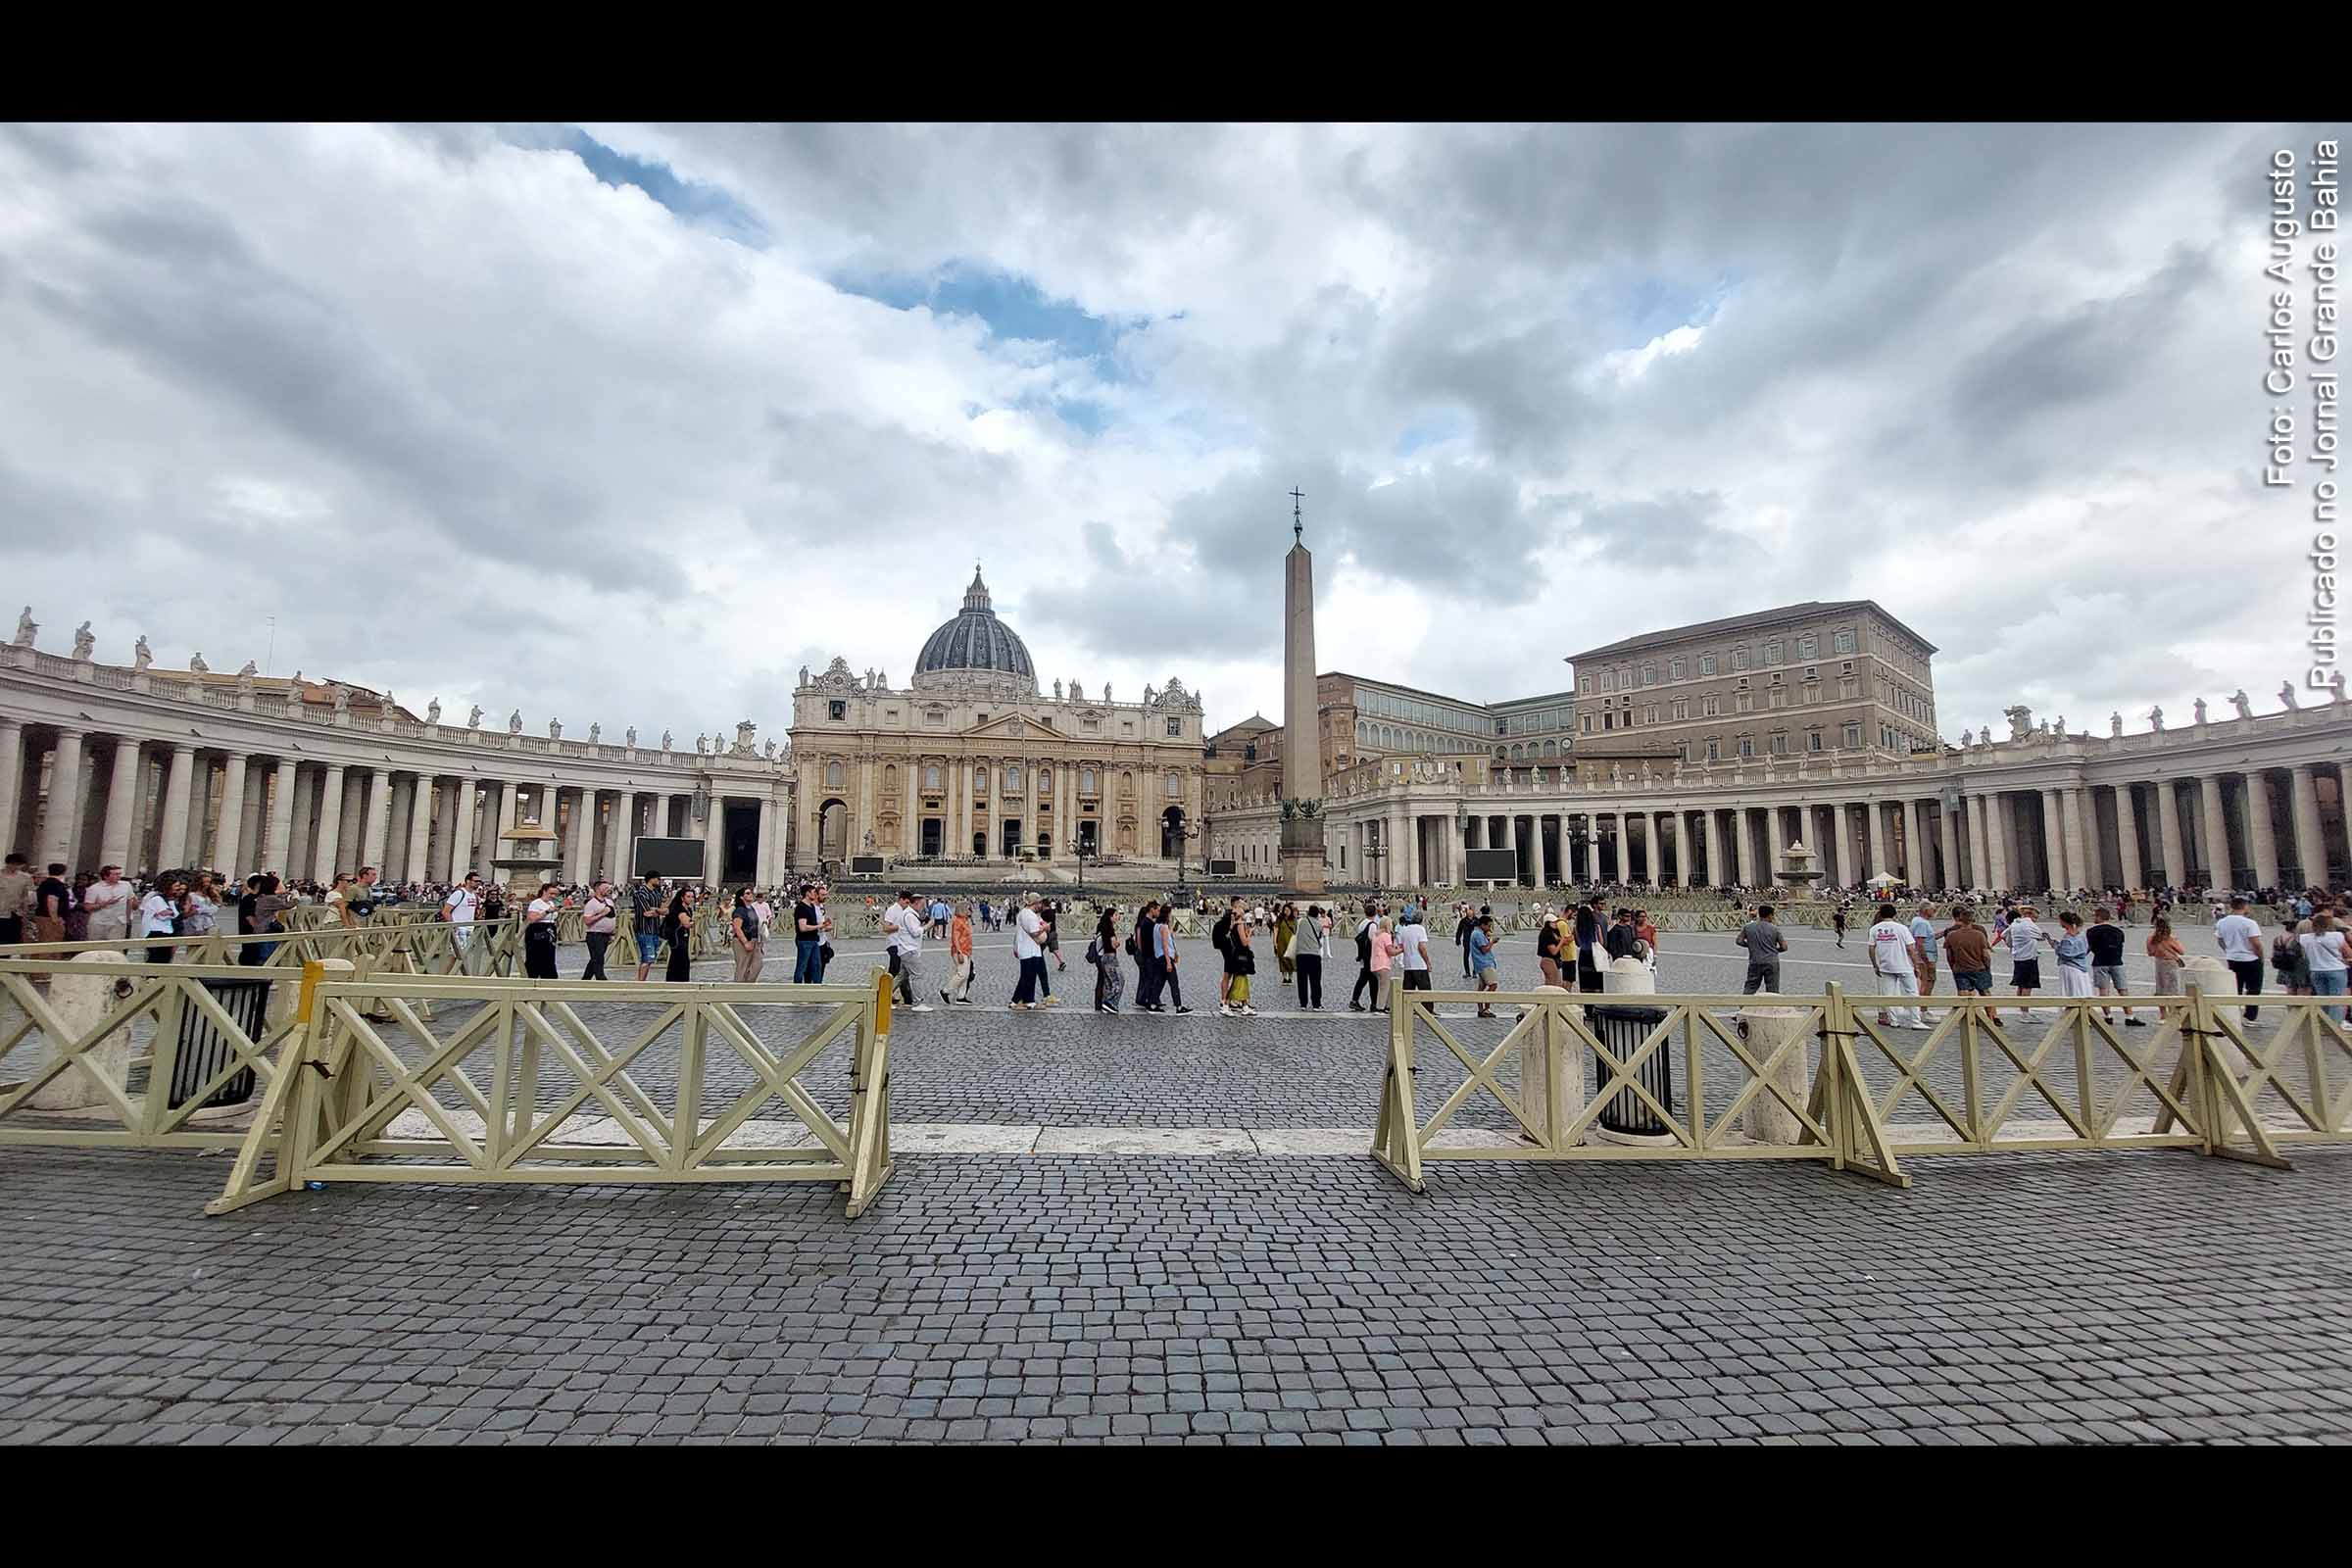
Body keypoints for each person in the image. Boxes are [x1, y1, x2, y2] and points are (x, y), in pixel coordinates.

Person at [1867, 901, 1924, 1029]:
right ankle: (1916, 1021)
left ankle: (1894, 1020)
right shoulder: (1902, 928)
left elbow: (1871, 949)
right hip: (1903, 965)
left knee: (1889, 995)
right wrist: (1916, 965)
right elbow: (1911, 949)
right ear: (1895, 914)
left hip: (1885, 966)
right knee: (1912, 993)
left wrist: (1875, 965)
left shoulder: (1874, 929)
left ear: (1880, 915)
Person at [2216, 896, 2265, 1021]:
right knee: (2253, 989)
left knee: (2235, 987)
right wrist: (2260, 956)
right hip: (2250, 958)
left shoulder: (2222, 922)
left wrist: (2227, 950)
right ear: (2245, 907)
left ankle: (2233, 1014)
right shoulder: (2249, 923)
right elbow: (2256, 943)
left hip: (2232, 957)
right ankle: (2250, 1017)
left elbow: (2220, 940)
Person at [884, 889, 932, 1009]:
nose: (923, 907)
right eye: (922, 904)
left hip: (904, 949)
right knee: (918, 975)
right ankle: (918, 1003)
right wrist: (928, 926)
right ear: (916, 903)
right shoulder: (909, 915)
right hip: (908, 950)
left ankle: (883, 997)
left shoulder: (907, 913)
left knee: (901, 976)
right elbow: (916, 932)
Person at [2300, 911, 2348, 1024]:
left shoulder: (2305, 938)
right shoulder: (2337, 936)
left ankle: (2323, 1024)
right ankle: (2335, 1025)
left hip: (2316, 970)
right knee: (2336, 999)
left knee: (2322, 998)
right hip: (2336, 969)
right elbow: (2347, 952)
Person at [1941, 906, 1994, 997]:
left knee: (1963, 994)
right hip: (1979, 968)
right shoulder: (1980, 933)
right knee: (1985, 994)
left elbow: (1949, 956)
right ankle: (1990, 1011)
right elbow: (1986, 955)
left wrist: (1953, 967)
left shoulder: (1951, 934)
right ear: (1973, 919)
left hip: (1961, 969)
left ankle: (1965, 1011)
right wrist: (1987, 967)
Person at [242, 873, 292, 967]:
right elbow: (250, 919)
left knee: (269, 954)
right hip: (264, 931)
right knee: (266, 955)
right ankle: (263, 976)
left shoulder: (260, 898)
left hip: (262, 931)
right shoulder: (259, 899)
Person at [1737, 903, 1787, 995]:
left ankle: (1744, 1004)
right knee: (1772, 988)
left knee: (1751, 986)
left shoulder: (1748, 927)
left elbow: (1739, 941)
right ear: (1770, 915)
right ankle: (1772, 1007)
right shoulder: (1774, 929)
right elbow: (1784, 947)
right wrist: (1774, 950)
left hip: (1755, 961)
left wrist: (1751, 945)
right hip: (1771, 961)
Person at [82, 864, 132, 950]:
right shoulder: (94, 888)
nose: (119, 876)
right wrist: (104, 904)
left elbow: (129, 901)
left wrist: (128, 919)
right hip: (99, 923)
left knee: (116, 949)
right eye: (115, 874)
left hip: (118, 923)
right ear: (106, 876)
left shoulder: (126, 885)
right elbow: (87, 907)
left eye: (119, 874)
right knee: (96, 949)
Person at [1010, 897, 1049, 1010]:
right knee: (1028, 976)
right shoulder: (1028, 915)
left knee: (1028, 976)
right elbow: (1034, 932)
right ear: (1035, 903)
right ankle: (1020, 1001)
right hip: (1028, 949)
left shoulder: (1028, 914)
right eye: (1039, 903)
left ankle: (1024, 1000)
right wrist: (1045, 928)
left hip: (1030, 949)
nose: (1041, 906)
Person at [1220, 904, 1258, 1016]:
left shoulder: (1234, 925)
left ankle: (1245, 1006)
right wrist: (1250, 933)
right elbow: (1245, 942)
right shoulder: (1240, 925)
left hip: (1236, 955)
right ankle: (1226, 1005)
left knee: (1242, 980)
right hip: (1240, 956)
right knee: (1238, 981)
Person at [2003, 904, 2047, 1002]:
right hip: (2029, 958)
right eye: (2036, 917)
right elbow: (2041, 936)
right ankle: (2025, 1010)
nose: (2036, 920)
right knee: (2028, 986)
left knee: (2020, 985)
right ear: (2030, 915)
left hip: (2018, 957)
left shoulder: (2015, 924)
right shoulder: (2029, 924)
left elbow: (2003, 935)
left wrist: (2012, 942)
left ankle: (2019, 1008)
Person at [137, 873, 183, 963]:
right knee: (156, 957)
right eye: (176, 886)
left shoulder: (170, 900)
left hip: (167, 931)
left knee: (166, 957)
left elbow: (174, 913)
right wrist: (169, 912)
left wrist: (170, 910)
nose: (178, 888)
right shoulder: (157, 899)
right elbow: (164, 915)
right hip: (156, 932)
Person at [2052, 912, 2095, 1006]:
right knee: (2082, 989)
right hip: (2081, 966)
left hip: (2071, 967)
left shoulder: (2068, 938)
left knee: (2072, 991)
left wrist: (2056, 946)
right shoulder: (2082, 935)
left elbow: (2065, 954)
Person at [1153, 904, 1191, 1013]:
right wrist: (1169, 962)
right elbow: (1165, 945)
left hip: (1159, 957)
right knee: (1174, 983)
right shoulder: (1163, 927)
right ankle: (1178, 1006)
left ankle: (1152, 1003)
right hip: (1166, 958)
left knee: (1159, 982)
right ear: (1167, 914)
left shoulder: (1157, 926)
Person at [1089, 905, 1125, 1013]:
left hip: (1101, 957)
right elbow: (1113, 945)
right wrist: (1119, 942)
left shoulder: (1101, 926)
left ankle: (1099, 1003)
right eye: (1116, 915)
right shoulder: (1109, 928)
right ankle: (1109, 1003)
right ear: (1110, 916)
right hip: (1109, 957)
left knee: (1103, 981)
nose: (1118, 917)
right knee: (1117, 981)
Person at [523, 881, 563, 979]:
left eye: (555, 894)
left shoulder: (551, 903)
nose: (553, 896)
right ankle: (532, 976)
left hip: (550, 929)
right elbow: (532, 919)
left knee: (549, 955)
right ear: (544, 892)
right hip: (537, 929)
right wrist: (547, 911)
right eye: (551, 893)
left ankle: (549, 977)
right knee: (536, 955)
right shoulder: (536, 903)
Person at [631, 873, 666, 981]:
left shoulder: (656, 893)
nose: (660, 881)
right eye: (658, 879)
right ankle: (640, 982)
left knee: (651, 958)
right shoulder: (641, 893)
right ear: (651, 879)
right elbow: (647, 912)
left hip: (655, 929)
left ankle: (642, 980)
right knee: (647, 957)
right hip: (644, 929)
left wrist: (656, 910)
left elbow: (664, 910)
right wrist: (658, 911)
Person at [1297, 904, 1330, 1009]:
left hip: (1301, 954)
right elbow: (1319, 936)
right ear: (1317, 914)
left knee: (1302, 981)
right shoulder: (1318, 924)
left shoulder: (1301, 922)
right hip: (1314, 955)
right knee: (1315, 981)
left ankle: (1303, 1004)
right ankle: (1316, 1003)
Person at [1132, 899, 1162, 1010]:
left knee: (1146, 977)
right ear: (1151, 910)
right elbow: (1142, 941)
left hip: (1144, 954)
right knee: (1148, 977)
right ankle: (1146, 999)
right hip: (1146, 954)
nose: (1159, 913)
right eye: (1157, 910)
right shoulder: (1145, 924)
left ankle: (1145, 998)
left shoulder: (1145, 923)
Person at [1467, 913, 1500, 1017]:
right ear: (1482, 925)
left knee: (1482, 987)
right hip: (1484, 963)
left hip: (1481, 964)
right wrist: (1492, 942)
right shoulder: (1477, 934)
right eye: (1488, 926)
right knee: (1493, 985)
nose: (1489, 928)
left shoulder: (1478, 933)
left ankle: (1481, 1009)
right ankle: (1486, 1009)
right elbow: (1484, 949)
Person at [662, 887, 698, 982]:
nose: (691, 899)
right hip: (677, 937)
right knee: (680, 959)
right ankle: (678, 980)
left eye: (692, 896)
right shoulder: (679, 909)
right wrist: (691, 923)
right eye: (688, 896)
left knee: (678, 959)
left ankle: (674, 979)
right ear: (682, 898)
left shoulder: (688, 909)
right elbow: (686, 923)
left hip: (683, 937)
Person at [1396, 906, 1432, 998]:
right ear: (1421, 920)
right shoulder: (1420, 929)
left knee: (1408, 992)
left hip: (1408, 964)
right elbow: (1421, 947)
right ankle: (1427, 1010)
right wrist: (1428, 962)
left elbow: (1401, 946)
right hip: (1419, 965)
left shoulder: (1404, 930)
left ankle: (1406, 1010)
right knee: (1425, 991)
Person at [792, 883, 825, 983]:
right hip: (804, 941)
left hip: (814, 940)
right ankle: (797, 988)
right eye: (814, 892)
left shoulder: (811, 906)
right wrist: (819, 926)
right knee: (802, 966)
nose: (815, 894)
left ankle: (816, 988)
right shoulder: (801, 907)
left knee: (816, 966)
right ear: (807, 893)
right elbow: (803, 927)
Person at [731, 887, 765, 983]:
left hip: (754, 940)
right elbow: (737, 927)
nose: (751, 894)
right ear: (742, 897)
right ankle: (739, 989)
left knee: (757, 965)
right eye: (747, 893)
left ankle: (748, 983)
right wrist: (745, 942)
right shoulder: (739, 910)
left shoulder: (752, 908)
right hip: (742, 941)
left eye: (751, 893)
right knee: (742, 967)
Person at [944, 901, 976, 1004]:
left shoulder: (965, 920)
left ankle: (961, 997)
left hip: (967, 950)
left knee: (966, 975)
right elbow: (955, 938)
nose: (971, 910)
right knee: (962, 974)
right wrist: (959, 952)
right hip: (960, 950)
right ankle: (946, 990)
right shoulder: (958, 921)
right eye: (969, 908)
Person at [0, 853, 34, 947]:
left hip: (15, 913)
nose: (18, 867)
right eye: (16, 865)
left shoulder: (26, 878)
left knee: (11, 940)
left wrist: (25, 914)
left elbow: (26, 897)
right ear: (10, 863)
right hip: (1, 912)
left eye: (20, 865)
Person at [2147, 915, 2186, 998]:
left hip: (2159, 963)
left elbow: (2150, 953)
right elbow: (2181, 951)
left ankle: (2163, 1010)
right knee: (2172, 989)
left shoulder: (2151, 938)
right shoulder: (2170, 938)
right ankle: (2172, 1010)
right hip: (2171, 963)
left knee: (2161, 989)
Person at [1353, 908, 1383, 1007]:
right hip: (1370, 957)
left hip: (1363, 954)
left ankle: (1356, 1000)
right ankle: (1373, 1003)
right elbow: (1373, 940)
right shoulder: (1372, 925)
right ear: (1375, 913)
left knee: (1364, 979)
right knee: (1371, 980)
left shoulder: (1362, 923)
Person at [1909, 903, 1939, 997]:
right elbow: (1919, 942)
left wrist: (1945, 931)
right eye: (1933, 910)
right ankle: (1923, 1008)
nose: (1935, 912)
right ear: (1926, 910)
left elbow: (1929, 937)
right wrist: (1925, 959)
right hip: (1926, 956)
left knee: (1925, 981)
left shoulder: (1917, 920)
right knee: (1928, 981)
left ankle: (1922, 1007)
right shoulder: (1922, 923)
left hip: (1925, 955)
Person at [1369, 915, 1396, 1012]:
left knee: (1384, 986)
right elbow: (1390, 951)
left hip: (1375, 964)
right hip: (1383, 964)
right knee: (1384, 987)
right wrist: (1401, 950)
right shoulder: (1386, 935)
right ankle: (1380, 1007)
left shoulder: (1376, 935)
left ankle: (1387, 1005)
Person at [1275, 903, 1298, 985]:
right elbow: (1276, 930)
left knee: (1290, 959)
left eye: (1288, 910)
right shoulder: (1280, 919)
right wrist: (1275, 942)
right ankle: (1284, 977)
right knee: (1282, 958)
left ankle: (1290, 977)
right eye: (1285, 910)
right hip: (1281, 941)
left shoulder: (1294, 919)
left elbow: (1296, 931)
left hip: (1291, 941)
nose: (1286, 911)